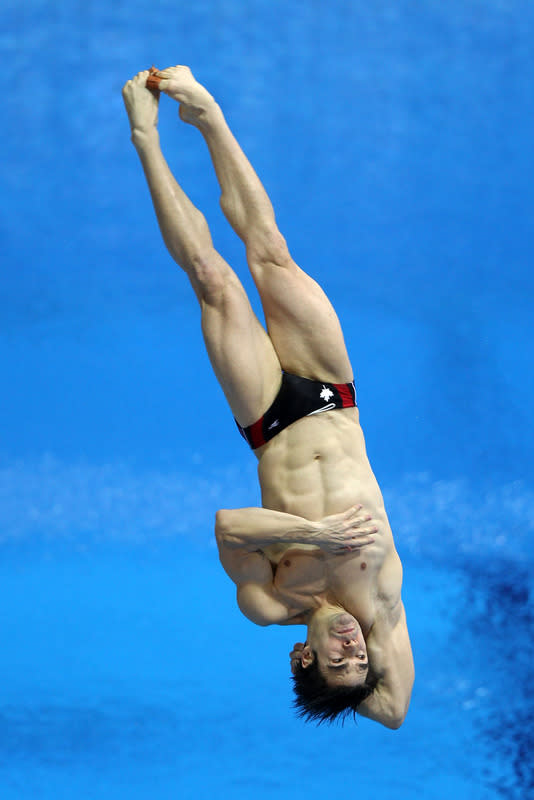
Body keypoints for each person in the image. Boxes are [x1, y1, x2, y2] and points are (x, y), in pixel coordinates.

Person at [122, 65, 414, 728]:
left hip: (268, 422)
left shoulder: (270, 602)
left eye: (336, 662)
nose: (350, 649)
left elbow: (228, 526)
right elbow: (394, 713)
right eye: (360, 660)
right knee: (270, 253)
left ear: (299, 658)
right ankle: (208, 114)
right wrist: (348, 691)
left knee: (212, 280)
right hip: (333, 396)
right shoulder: (383, 606)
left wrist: (315, 534)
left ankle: (146, 137)